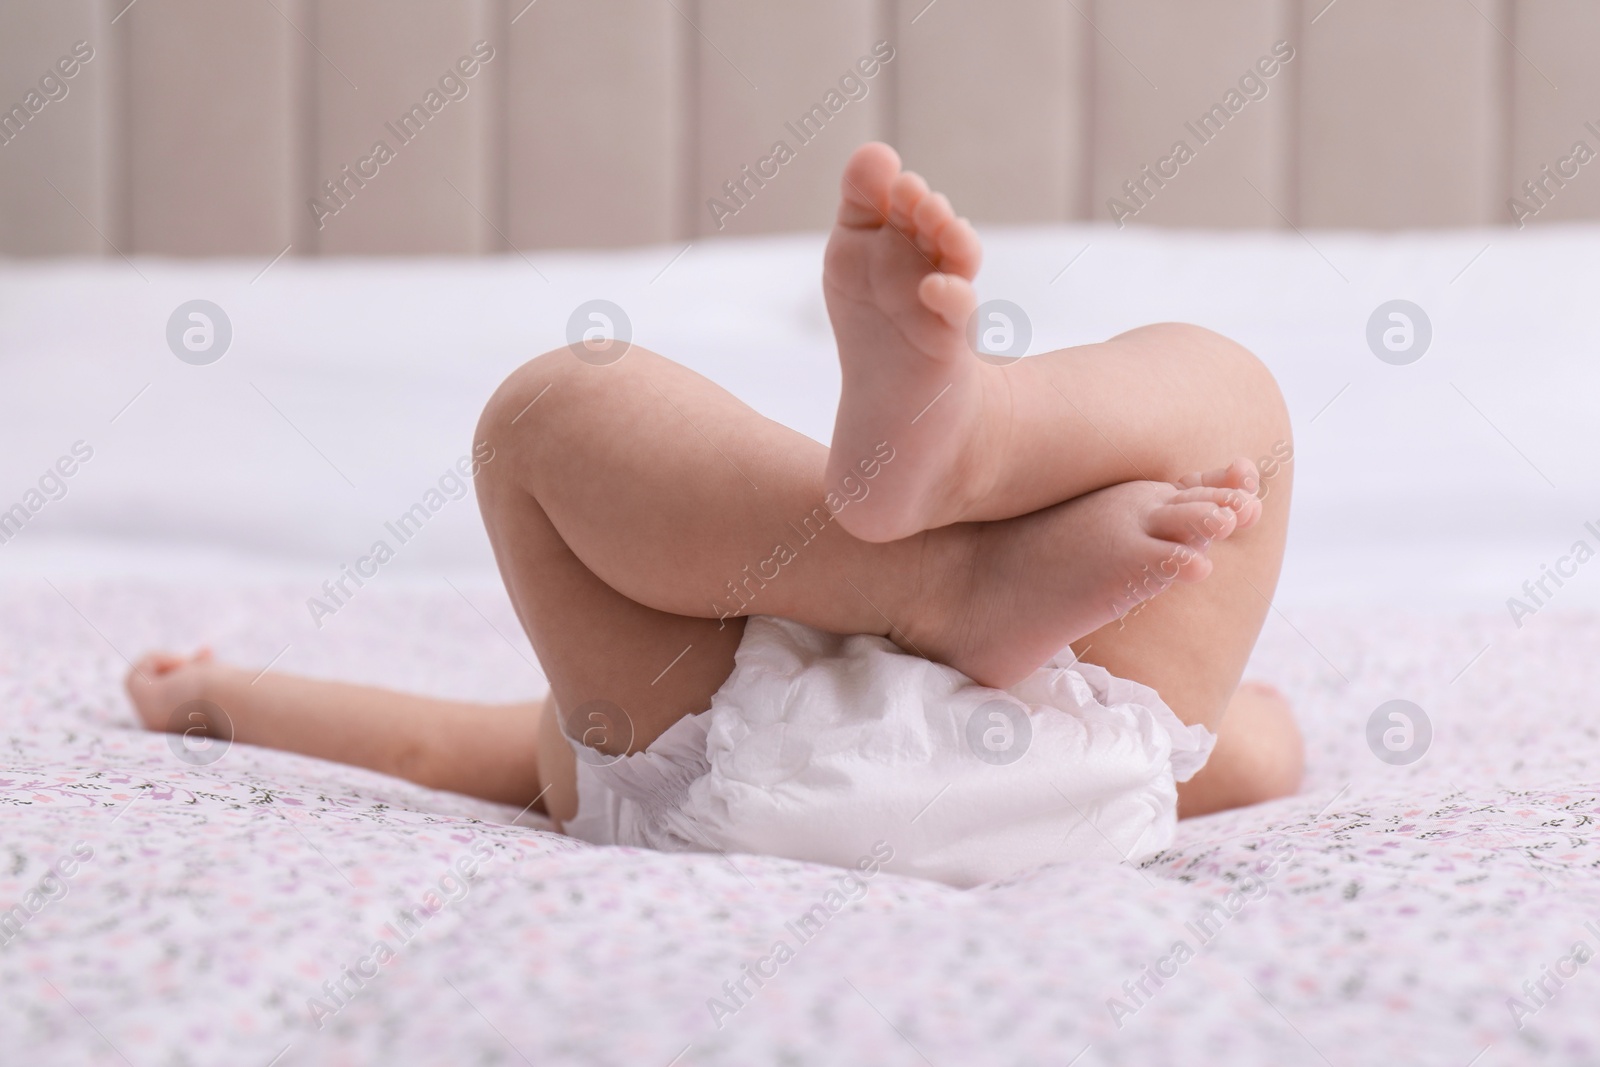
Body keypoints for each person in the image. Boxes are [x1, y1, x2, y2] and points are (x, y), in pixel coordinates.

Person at [127, 143, 1302, 885]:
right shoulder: (1159, 724)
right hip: (1079, 777)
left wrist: (210, 696)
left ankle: (933, 566)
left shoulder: (604, 707)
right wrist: (1250, 725)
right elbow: (1260, 749)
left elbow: (420, 745)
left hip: (723, 772)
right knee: (1234, 395)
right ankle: (978, 456)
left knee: (548, 410)